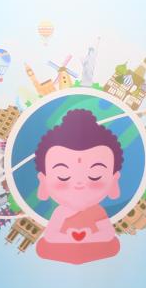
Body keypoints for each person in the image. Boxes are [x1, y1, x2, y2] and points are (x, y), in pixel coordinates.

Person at [34, 109, 123, 264]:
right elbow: (50, 236)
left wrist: (88, 236)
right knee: (44, 247)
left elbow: (108, 234)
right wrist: (70, 237)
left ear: (113, 181)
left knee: (112, 246)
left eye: (95, 175)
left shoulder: (97, 211)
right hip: (63, 249)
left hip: (95, 249)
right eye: (63, 176)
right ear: (44, 181)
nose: (79, 183)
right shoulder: (60, 212)